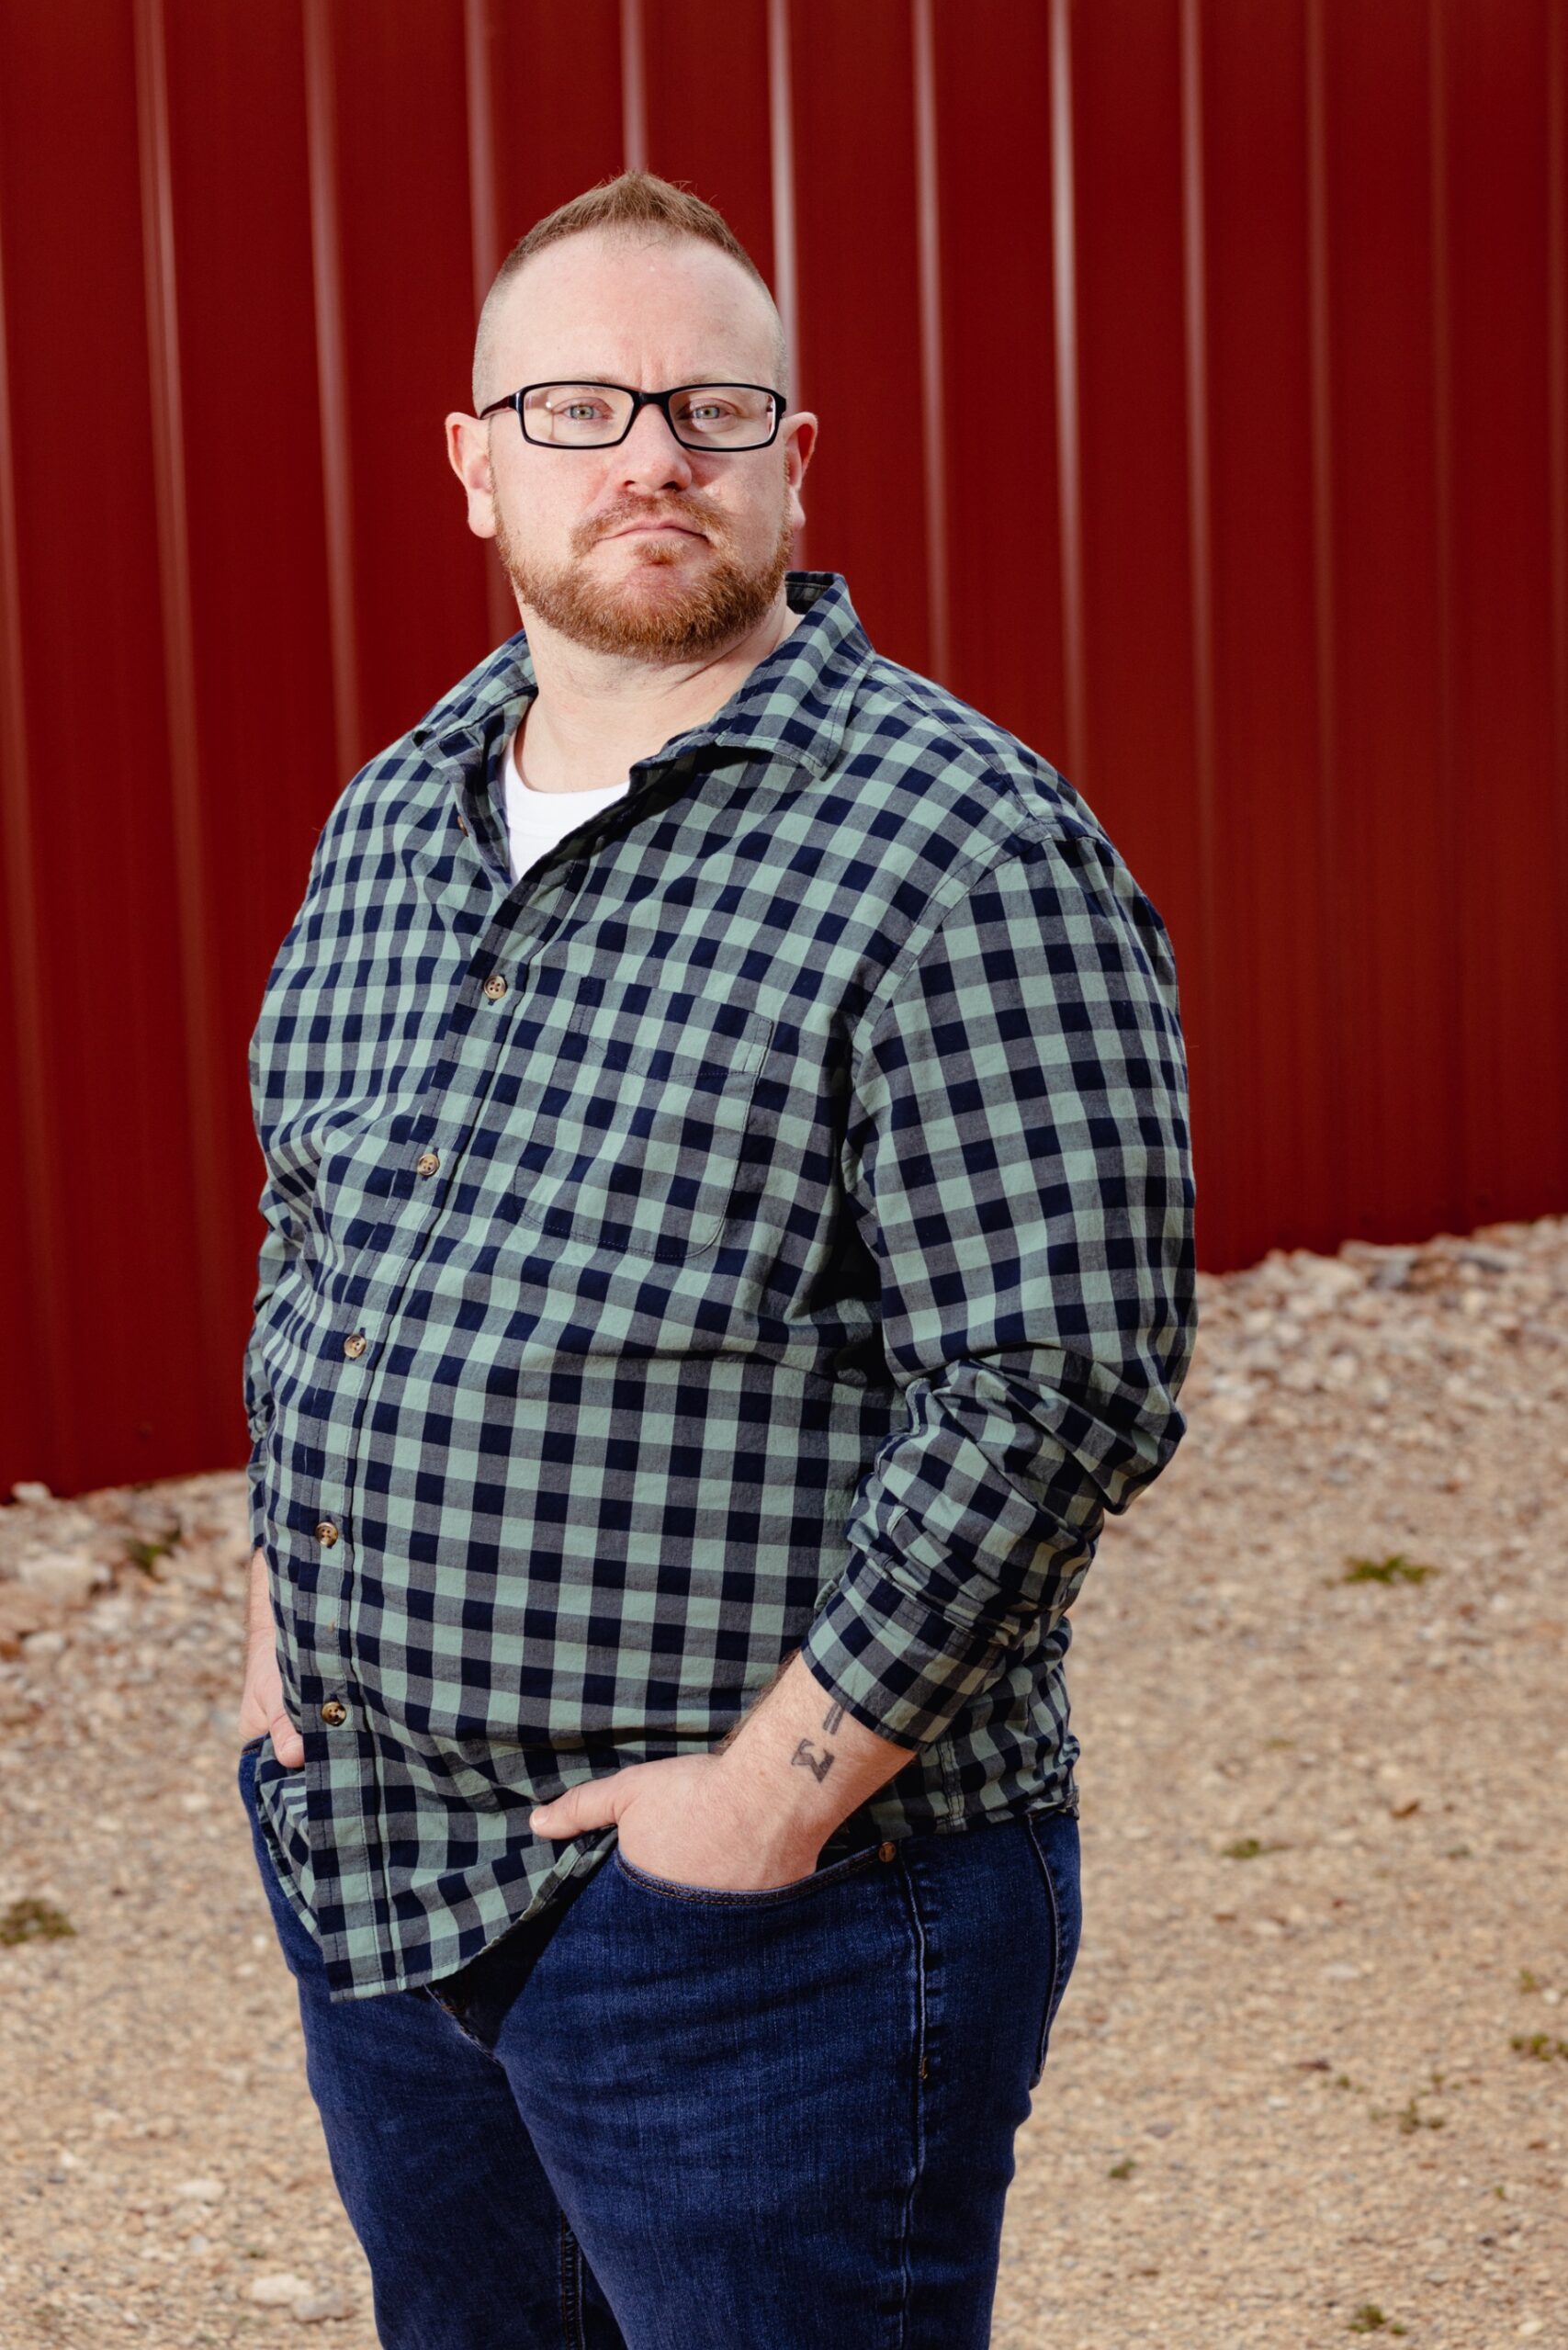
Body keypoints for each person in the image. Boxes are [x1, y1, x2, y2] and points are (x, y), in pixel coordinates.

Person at [236, 169, 1197, 2350]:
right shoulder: (394, 818)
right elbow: (315, 1229)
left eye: (709, 404)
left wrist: (761, 1803)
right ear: (473, 460)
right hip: (376, 1859)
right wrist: (278, 1621)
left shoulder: (957, 841)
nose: (650, 452)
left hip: (761, 1926)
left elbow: (1058, 1382)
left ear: (791, 461)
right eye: (576, 405)